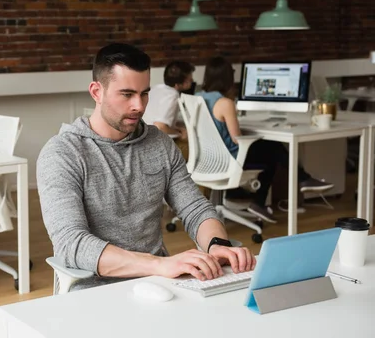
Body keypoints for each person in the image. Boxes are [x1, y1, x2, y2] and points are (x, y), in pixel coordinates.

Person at [37, 43, 255, 291]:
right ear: (96, 92)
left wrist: (217, 244)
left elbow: (195, 208)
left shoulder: (159, 143)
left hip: (160, 283)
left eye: (144, 93)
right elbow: (71, 243)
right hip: (94, 289)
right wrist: (159, 265)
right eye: (127, 94)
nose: (139, 106)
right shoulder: (62, 153)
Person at [196, 57, 334, 224]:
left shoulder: (197, 98)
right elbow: (236, 138)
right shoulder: (225, 103)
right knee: (273, 148)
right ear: (227, 78)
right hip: (229, 161)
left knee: (270, 151)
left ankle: (262, 200)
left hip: (208, 160)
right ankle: (297, 181)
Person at [143, 61, 195, 139]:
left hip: (144, 133)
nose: (192, 80)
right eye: (190, 80)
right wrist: (179, 135)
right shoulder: (173, 96)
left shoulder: (156, 88)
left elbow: (157, 118)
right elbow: (160, 126)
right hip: (154, 140)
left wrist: (176, 128)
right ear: (177, 84)